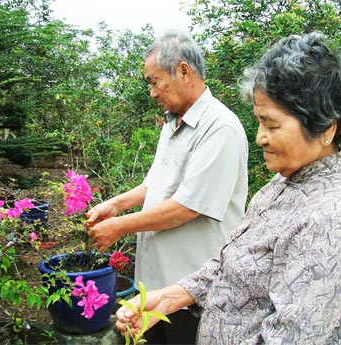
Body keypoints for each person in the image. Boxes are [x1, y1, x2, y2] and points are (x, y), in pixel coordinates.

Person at [115, 32, 341, 344]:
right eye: (260, 123)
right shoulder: (287, 182)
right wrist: (173, 296)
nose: (260, 137)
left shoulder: (332, 219)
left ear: (326, 128)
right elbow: (233, 261)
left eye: (273, 125)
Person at [87, 30, 249, 343]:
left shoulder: (220, 128)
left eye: (154, 81)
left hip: (191, 294)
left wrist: (119, 227)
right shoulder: (173, 122)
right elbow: (156, 184)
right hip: (154, 288)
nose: (152, 92)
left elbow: (188, 206)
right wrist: (115, 205)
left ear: (184, 71)